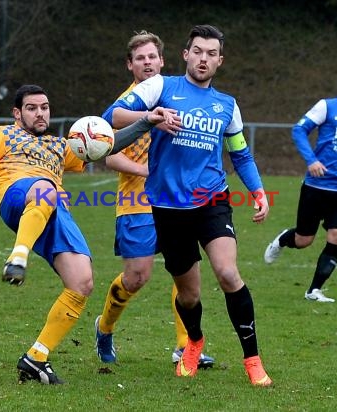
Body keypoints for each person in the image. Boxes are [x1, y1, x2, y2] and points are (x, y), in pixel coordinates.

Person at [0, 84, 177, 384]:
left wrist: (147, 121)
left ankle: (36, 358)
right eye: (32, 108)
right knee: (45, 189)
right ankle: (18, 257)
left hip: (55, 210)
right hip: (18, 197)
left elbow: (108, 144)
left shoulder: (59, 145)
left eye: (44, 107)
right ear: (17, 113)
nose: (40, 113)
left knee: (82, 283)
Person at [102, 24, 272, 386]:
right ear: (185, 55)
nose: (203, 59)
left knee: (228, 273)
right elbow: (110, 117)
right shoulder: (161, 87)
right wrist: (150, 117)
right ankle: (194, 341)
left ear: (219, 61)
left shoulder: (227, 105)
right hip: (167, 207)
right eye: (198, 51)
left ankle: (253, 359)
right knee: (189, 293)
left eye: (211, 54)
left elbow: (240, 154)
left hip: (212, 200)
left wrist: (257, 191)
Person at [94, 31, 214, 369]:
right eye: (140, 58)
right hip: (136, 201)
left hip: (177, 200)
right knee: (137, 277)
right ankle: (104, 327)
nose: (147, 62)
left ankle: (186, 345)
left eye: (152, 57)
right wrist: (149, 170)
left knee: (184, 270)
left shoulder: (179, 93)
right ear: (130, 65)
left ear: (162, 60)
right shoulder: (126, 104)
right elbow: (108, 154)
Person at [264, 65, 337, 303]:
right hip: (316, 187)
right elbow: (299, 130)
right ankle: (282, 240)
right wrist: (312, 160)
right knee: (303, 240)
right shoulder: (327, 107)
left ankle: (314, 290)